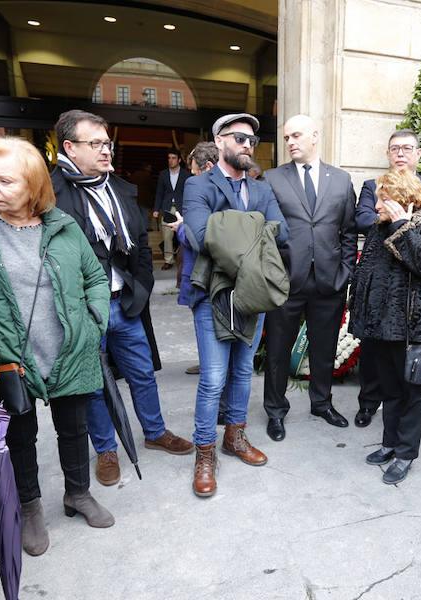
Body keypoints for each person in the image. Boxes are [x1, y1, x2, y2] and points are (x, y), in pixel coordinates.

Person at [0, 137, 115, 556]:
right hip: (7, 355)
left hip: (68, 348)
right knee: (19, 434)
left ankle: (78, 493)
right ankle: (30, 506)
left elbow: (94, 278)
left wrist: (93, 322)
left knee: (75, 428)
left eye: (5, 180)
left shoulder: (62, 226)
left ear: (34, 185)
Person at [51, 110, 193, 488]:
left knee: (142, 374)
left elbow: (141, 251)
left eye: (106, 143)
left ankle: (155, 431)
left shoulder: (121, 189)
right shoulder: (51, 195)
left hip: (125, 302)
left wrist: (142, 290)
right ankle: (106, 449)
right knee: (96, 384)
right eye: (94, 144)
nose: (105, 151)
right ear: (69, 147)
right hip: (84, 309)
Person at [182, 112, 289, 497]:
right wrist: (254, 233)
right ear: (220, 140)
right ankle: (205, 452)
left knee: (243, 372)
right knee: (213, 378)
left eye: (252, 141)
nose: (247, 146)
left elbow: (283, 232)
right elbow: (198, 236)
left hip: (251, 294)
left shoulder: (261, 189)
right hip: (212, 294)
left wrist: (229, 225)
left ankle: (235, 437)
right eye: (240, 138)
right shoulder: (199, 185)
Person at [349, 169, 421, 484]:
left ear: (405, 197)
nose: (377, 206)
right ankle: (389, 443)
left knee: (411, 394)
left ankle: (406, 452)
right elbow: (368, 271)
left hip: (411, 328)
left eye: (383, 199)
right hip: (380, 327)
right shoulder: (380, 227)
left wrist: (403, 226)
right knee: (389, 390)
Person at [263, 114, 358, 441]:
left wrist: (345, 270)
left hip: (329, 281)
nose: (290, 142)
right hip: (286, 282)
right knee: (277, 350)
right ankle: (275, 411)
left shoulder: (341, 180)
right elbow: (264, 233)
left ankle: (322, 402)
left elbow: (348, 231)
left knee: (324, 347)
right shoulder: (272, 179)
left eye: (296, 135)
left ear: (315, 136)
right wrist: (273, 274)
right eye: (287, 137)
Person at [353, 129, 421, 428]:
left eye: (407, 148)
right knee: (378, 365)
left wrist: (402, 224)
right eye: (395, 149)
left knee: (406, 385)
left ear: (418, 154)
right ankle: (372, 411)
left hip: (409, 314)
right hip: (380, 304)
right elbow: (363, 219)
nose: (401, 154)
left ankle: (404, 447)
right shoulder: (374, 188)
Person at [174, 142, 218, 375]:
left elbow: (198, 238)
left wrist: (181, 227)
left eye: (194, 172)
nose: (191, 177)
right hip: (206, 276)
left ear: (208, 166)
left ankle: (209, 365)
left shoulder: (205, 195)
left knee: (206, 324)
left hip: (204, 278)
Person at [153, 147, 186, 271]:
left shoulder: (185, 175)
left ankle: (182, 259)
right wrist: (156, 209)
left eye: (173, 158)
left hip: (181, 208)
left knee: (182, 235)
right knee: (167, 236)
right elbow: (159, 192)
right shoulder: (163, 174)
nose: (170, 161)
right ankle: (168, 260)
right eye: (169, 158)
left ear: (179, 160)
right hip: (167, 208)